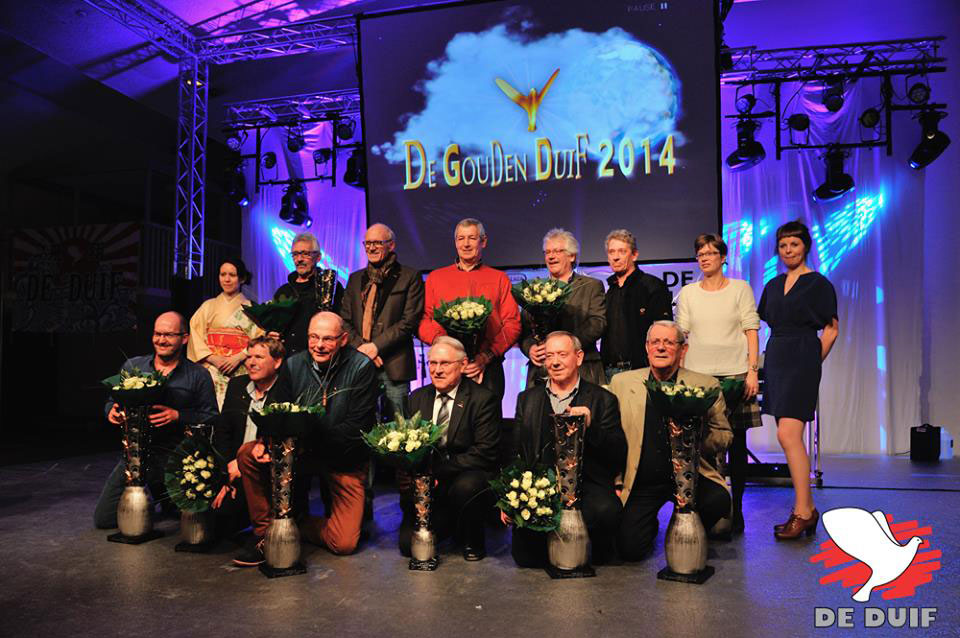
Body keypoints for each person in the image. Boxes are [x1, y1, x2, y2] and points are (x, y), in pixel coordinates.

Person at [609, 321, 732, 561]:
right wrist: (616, 481)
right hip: (642, 480)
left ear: (683, 349)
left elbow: (724, 435)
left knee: (717, 500)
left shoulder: (706, 385)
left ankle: (686, 528)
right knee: (630, 550)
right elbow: (613, 439)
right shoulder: (621, 383)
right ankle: (651, 526)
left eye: (668, 342)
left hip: (691, 477)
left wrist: (694, 438)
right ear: (647, 347)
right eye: (655, 342)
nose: (661, 347)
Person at [94, 311, 218, 529]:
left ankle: (162, 494)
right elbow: (112, 401)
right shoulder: (134, 367)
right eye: (157, 334)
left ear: (184, 338)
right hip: (137, 454)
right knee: (104, 519)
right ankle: (152, 496)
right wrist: (111, 411)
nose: (161, 340)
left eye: (169, 335)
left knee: (192, 518)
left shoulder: (198, 375)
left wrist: (178, 416)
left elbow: (211, 416)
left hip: (177, 456)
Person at [511, 331, 626, 566]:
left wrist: (591, 427)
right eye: (549, 356)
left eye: (562, 355)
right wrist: (509, 495)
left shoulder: (603, 399)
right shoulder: (527, 399)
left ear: (579, 357)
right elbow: (516, 450)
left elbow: (617, 453)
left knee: (607, 512)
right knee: (527, 559)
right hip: (540, 487)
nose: (555, 362)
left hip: (587, 484)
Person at [675, 234, 761, 534]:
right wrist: (680, 375)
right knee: (703, 446)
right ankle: (710, 509)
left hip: (736, 376)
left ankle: (737, 509)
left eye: (711, 253)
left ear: (723, 257)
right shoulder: (688, 293)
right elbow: (682, 335)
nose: (705, 258)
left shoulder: (740, 288)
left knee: (736, 445)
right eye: (700, 254)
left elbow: (751, 329)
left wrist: (752, 371)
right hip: (699, 378)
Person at [758, 221, 838, 540]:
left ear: (805, 246)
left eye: (794, 244)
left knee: (788, 434)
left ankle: (803, 512)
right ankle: (807, 509)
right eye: (783, 245)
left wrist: (812, 362)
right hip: (777, 356)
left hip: (803, 356)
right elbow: (767, 322)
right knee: (788, 435)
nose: (788, 250)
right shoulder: (773, 285)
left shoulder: (818, 284)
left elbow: (831, 329)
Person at [286, 311, 378, 554]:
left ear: (343, 339)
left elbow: (357, 428)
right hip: (302, 454)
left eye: (327, 339)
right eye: (313, 337)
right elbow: (281, 412)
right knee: (250, 454)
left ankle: (299, 524)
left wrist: (310, 438)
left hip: (344, 458)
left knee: (344, 543)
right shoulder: (293, 364)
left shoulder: (362, 366)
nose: (319, 345)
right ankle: (270, 529)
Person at [401, 336, 501, 561]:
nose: (437, 370)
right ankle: (450, 525)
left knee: (468, 486)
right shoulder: (417, 398)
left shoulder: (483, 399)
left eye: (444, 363)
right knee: (408, 546)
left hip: (465, 476)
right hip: (429, 481)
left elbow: (485, 453)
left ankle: (473, 539)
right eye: (433, 363)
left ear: (463, 365)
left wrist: (439, 471)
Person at [418, 218, 521, 401]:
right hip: (447, 367)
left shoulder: (499, 279)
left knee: (488, 417)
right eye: (461, 238)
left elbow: (512, 324)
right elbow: (424, 320)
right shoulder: (435, 278)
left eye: (472, 238)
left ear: (483, 241)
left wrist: (486, 356)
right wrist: (444, 345)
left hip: (488, 367)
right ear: (455, 242)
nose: (466, 244)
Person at [211, 336, 289, 564]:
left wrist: (243, 463)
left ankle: (263, 538)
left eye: (259, 357)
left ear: (277, 362)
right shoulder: (237, 385)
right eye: (249, 356)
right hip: (235, 469)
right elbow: (223, 431)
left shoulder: (286, 390)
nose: (251, 363)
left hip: (267, 470)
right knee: (215, 523)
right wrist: (228, 467)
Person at [341, 223, 425, 417]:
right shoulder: (355, 279)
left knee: (399, 425)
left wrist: (375, 347)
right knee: (364, 422)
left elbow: (409, 321)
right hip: (359, 362)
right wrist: (363, 349)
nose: (371, 248)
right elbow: (344, 320)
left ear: (391, 245)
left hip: (394, 364)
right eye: (368, 243)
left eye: (377, 243)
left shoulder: (410, 276)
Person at [519, 228, 606, 387]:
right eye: (547, 252)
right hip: (541, 373)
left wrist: (567, 346)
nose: (551, 256)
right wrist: (530, 348)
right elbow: (524, 331)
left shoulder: (591, 286)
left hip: (582, 370)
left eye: (557, 251)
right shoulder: (533, 290)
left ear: (572, 256)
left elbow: (597, 323)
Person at [187, 257, 263, 409]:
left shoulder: (252, 308)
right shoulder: (208, 306)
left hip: (241, 368)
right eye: (223, 275)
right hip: (211, 368)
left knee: (236, 410)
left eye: (232, 275)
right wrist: (213, 358)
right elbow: (195, 335)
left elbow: (260, 337)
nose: (226, 279)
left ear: (242, 279)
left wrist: (239, 356)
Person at [601, 229, 673, 382]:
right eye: (611, 252)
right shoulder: (610, 291)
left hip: (642, 370)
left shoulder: (652, 286)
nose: (615, 257)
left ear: (634, 255)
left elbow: (664, 332)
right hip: (608, 371)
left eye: (622, 251)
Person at [271, 232, 345, 355]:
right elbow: (273, 326)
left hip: (320, 356)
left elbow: (342, 324)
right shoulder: (283, 291)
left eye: (305, 254)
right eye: (295, 254)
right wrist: (271, 334)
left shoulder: (330, 287)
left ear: (318, 257)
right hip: (286, 359)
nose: (299, 259)